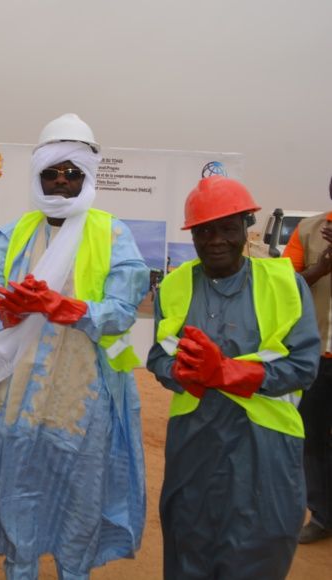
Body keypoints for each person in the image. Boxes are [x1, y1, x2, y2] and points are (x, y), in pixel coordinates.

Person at [0, 113, 149, 579]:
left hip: (82, 401)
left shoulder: (112, 234)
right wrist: (7, 310)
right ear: (38, 175)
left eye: (72, 172)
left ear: (87, 176)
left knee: (80, 503)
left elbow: (123, 310)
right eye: (52, 172)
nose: (62, 181)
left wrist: (67, 308)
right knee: (16, 495)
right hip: (16, 399)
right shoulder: (15, 234)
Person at [147, 176, 320, 579]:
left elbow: (304, 366)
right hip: (195, 441)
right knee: (189, 542)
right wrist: (178, 372)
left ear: (247, 228)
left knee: (259, 544)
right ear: (192, 235)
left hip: (264, 444)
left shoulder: (285, 284)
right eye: (204, 230)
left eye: (227, 228)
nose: (215, 240)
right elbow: (158, 355)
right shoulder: (173, 287)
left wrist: (226, 372)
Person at [282, 174, 332, 544]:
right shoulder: (309, 230)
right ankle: (322, 515)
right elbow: (284, 288)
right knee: (312, 438)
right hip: (319, 355)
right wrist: (321, 269)